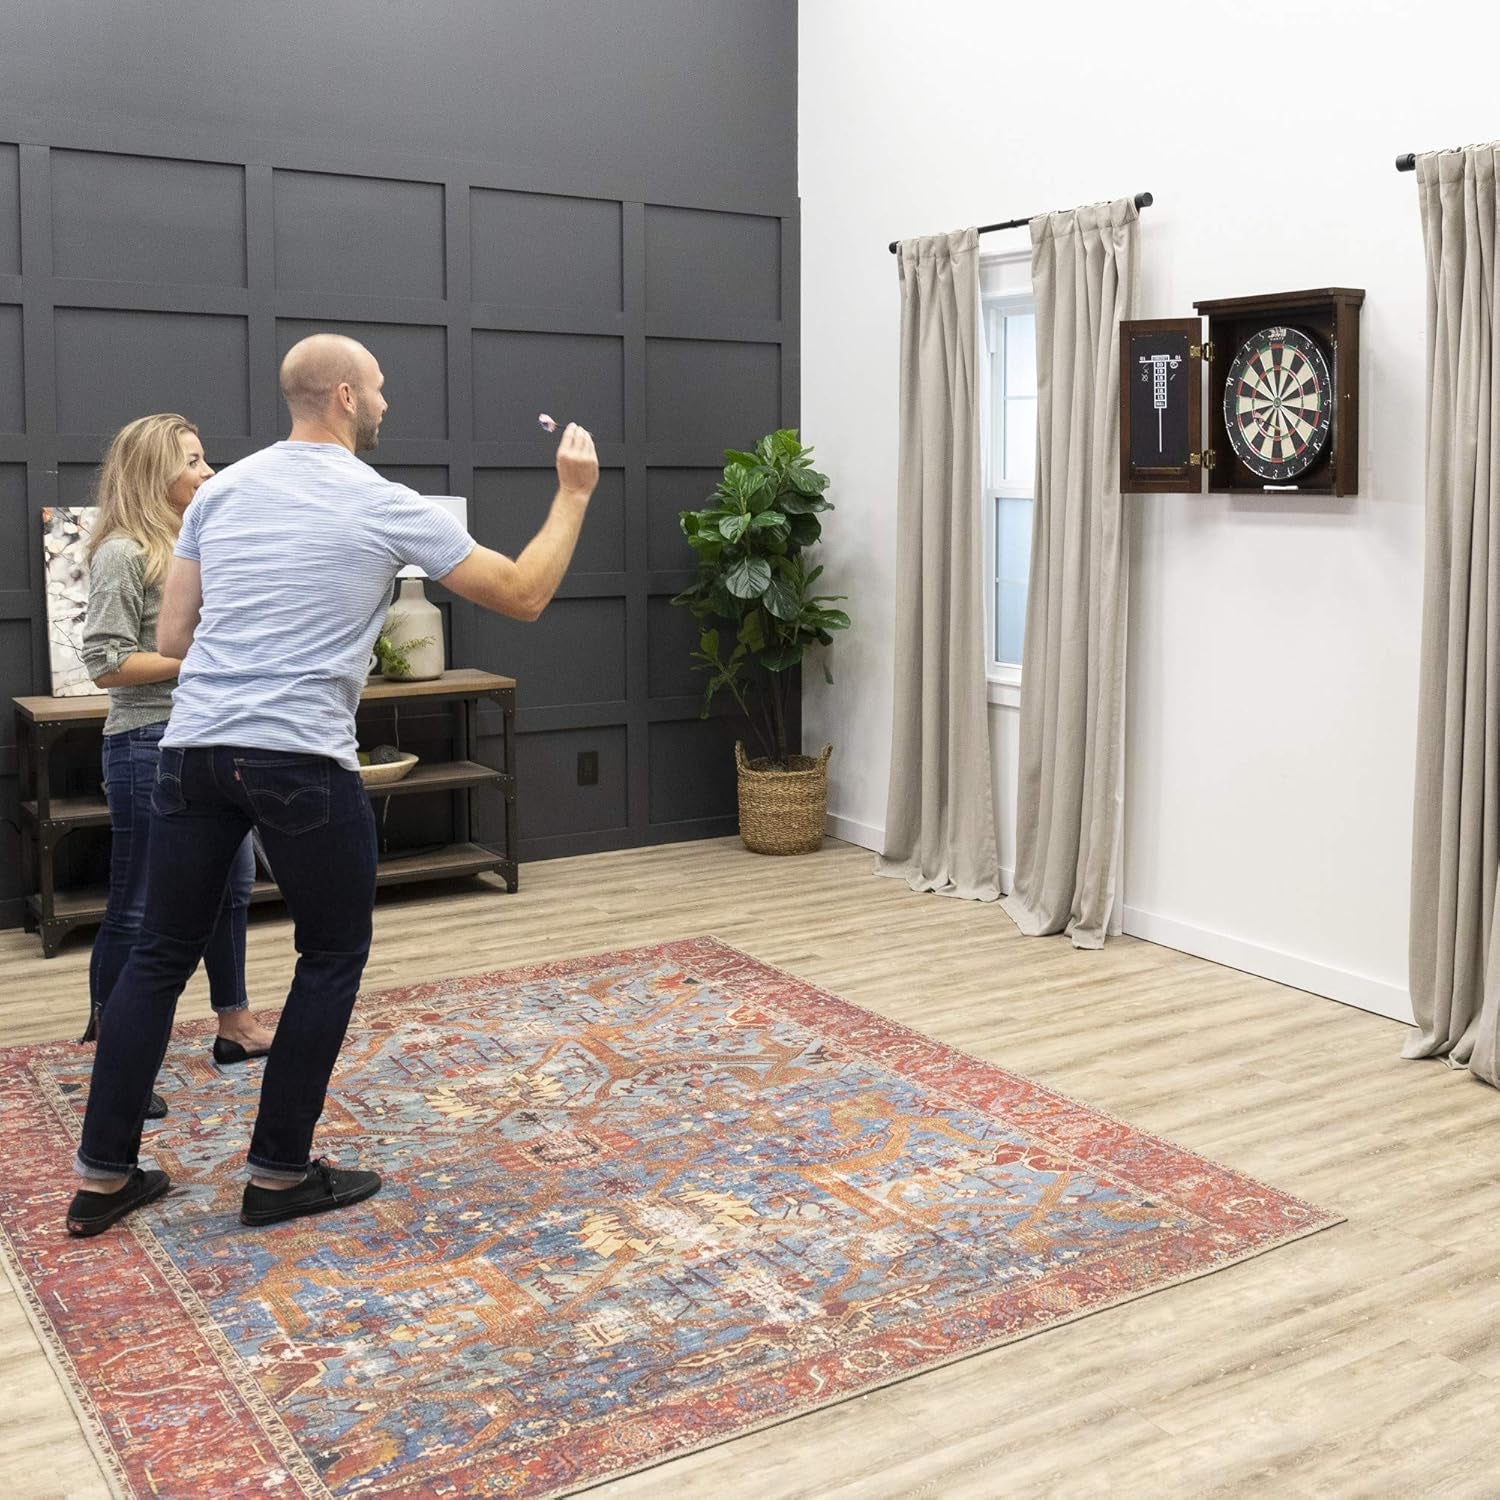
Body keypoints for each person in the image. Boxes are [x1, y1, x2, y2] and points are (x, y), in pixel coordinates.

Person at [66, 334, 598, 1236]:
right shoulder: (385, 502)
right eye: (381, 389)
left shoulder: (220, 492)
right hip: (298, 757)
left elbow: (180, 632)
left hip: (192, 747)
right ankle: (278, 1176)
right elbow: (524, 593)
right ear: (346, 397)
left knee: (158, 954)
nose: (387, 403)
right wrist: (574, 494)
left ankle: (104, 1178)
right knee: (330, 954)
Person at [79, 415, 277, 1121]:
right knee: (137, 904)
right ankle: (116, 1050)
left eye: (205, 457)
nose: (207, 472)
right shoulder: (123, 554)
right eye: (192, 462)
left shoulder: (196, 546)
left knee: (232, 886)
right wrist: (205, 657)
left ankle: (234, 1023)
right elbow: (105, 663)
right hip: (143, 744)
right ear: (152, 474)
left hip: (208, 740)